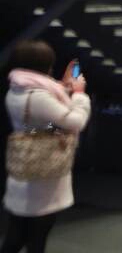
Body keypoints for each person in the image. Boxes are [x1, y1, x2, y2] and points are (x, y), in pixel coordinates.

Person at [1, 40, 91, 253]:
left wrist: (63, 88)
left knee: (17, 235)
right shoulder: (38, 96)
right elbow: (75, 122)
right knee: (35, 238)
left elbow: (39, 126)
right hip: (42, 181)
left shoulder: (18, 89)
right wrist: (79, 95)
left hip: (26, 175)